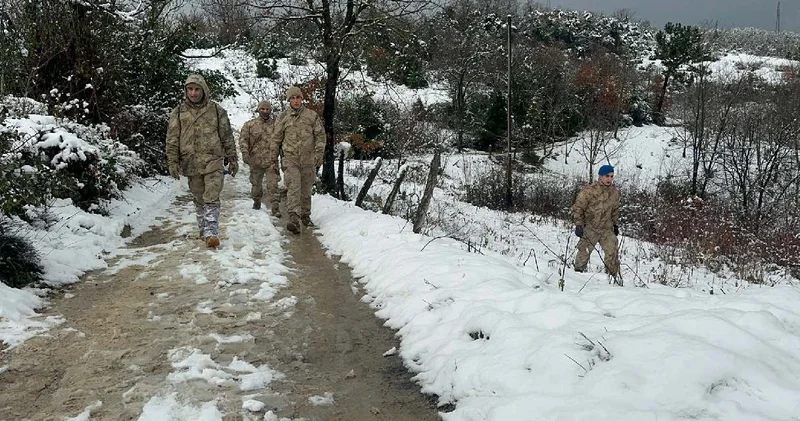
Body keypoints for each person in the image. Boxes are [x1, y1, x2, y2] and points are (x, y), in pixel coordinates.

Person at [165, 74, 238, 248]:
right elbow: (172, 138)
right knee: (199, 197)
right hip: (191, 162)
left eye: (197, 89)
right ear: (186, 91)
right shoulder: (179, 112)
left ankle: (211, 232)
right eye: (190, 89)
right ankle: (203, 229)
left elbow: (227, 136)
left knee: (212, 196)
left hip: (213, 160)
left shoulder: (216, 110)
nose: (193, 93)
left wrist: (232, 158)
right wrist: (173, 161)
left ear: (203, 90)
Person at [270, 86, 325, 234]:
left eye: (298, 97)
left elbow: (320, 135)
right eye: (292, 98)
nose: (295, 101)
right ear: (288, 100)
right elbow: (275, 140)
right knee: (294, 187)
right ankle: (293, 218)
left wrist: (319, 153)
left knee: (306, 190)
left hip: (308, 159)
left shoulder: (311, 116)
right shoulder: (283, 117)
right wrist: (273, 159)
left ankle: (305, 216)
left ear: (302, 99)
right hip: (290, 159)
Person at [572, 164, 621, 282]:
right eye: (607, 176)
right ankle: (576, 276)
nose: (609, 179)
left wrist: (615, 224)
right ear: (600, 176)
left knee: (612, 252)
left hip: (606, 229)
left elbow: (615, 210)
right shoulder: (589, 191)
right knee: (583, 252)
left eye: (611, 176)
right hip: (591, 228)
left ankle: (613, 278)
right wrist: (579, 224)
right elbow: (578, 208)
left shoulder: (615, 192)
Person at [240, 100, 281, 217]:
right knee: (256, 186)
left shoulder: (276, 126)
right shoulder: (250, 125)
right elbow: (243, 140)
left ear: (270, 110)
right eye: (262, 109)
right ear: (258, 110)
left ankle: (275, 208)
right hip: (255, 161)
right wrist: (245, 153)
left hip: (271, 160)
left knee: (273, 185)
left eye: (267, 109)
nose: (265, 111)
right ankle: (256, 202)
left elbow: (282, 141)